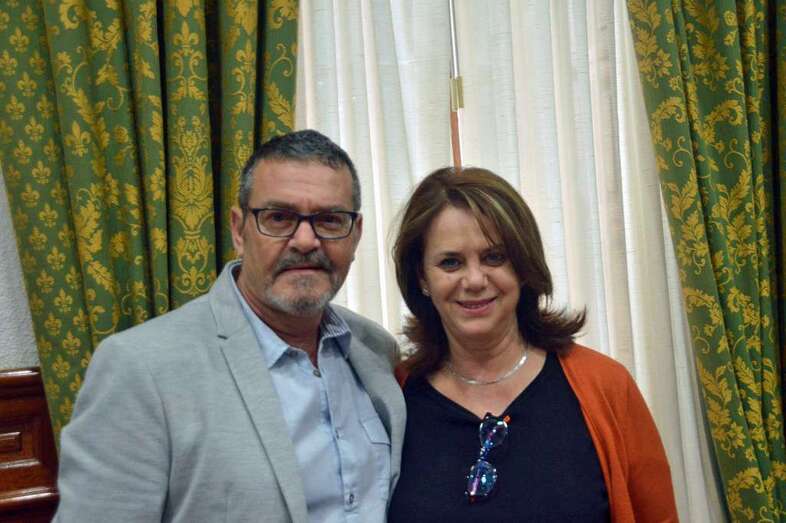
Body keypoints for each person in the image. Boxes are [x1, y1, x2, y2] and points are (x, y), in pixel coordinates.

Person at [54, 130, 405, 523]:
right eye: (279, 218)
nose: (306, 241)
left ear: (355, 234)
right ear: (239, 230)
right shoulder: (140, 368)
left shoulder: (375, 349)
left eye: (329, 220)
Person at [387, 167, 678, 522]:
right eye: (451, 262)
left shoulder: (606, 387)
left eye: (494, 257)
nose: (475, 280)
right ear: (422, 278)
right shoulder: (392, 400)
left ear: (523, 267)